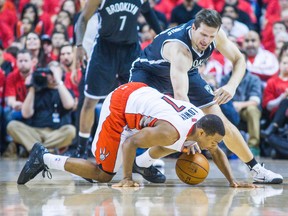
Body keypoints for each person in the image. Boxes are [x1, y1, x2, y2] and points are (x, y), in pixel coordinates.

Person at [130, 9, 283, 184]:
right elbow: (181, 95)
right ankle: (111, 163)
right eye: (203, 35)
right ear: (193, 28)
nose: (206, 41)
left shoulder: (215, 34)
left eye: (211, 37)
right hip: (150, 74)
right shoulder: (180, 49)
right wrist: (191, 127)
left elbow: (239, 59)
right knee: (174, 130)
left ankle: (256, 170)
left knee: (221, 123)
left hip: (187, 72)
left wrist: (231, 86)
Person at [17, 82, 255, 188]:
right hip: (120, 107)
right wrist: (127, 177)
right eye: (212, 141)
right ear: (201, 131)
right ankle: (44, 157)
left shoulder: (199, 121)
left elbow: (217, 152)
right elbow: (130, 142)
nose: (212, 147)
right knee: (104, 175)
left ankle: (143, 163)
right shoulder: (169, 132)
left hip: (141, 93)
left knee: (181, 145)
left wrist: (232, 182)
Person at [72, 0, 162, 159]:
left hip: (131, 50)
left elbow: (149, 14)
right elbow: (82, 19)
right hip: (105, 50)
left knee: (142, 100)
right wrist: (78, 45)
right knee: (90, 101)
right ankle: (81, 150)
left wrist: (162, 39)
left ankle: (141, 153)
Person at [7, 62, 76, 155]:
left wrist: (59, 80)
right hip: (35, 132)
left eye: (54, 73)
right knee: (12, 125)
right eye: (50, 73)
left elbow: (69, 104)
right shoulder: (37, 90)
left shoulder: (65, 91)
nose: (52, 76)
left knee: (71, 130)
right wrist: (31, 87)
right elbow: (26, 114)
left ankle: (38, 150)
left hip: (56, 133)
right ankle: (47, 151)